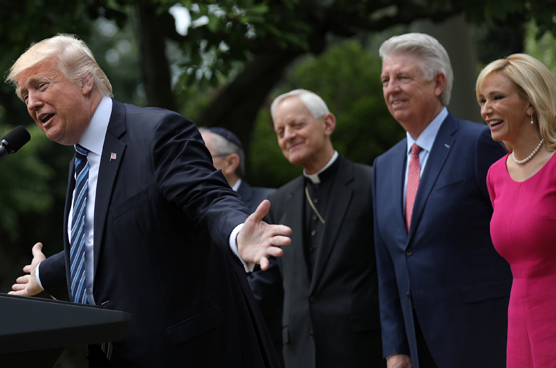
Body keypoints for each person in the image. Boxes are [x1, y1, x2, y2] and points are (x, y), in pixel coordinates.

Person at [4, 34, 291, 368]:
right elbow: (109, 242)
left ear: (85, 81)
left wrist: (239, 231)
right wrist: (43, 275)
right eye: (25, 94)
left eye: (41, 85)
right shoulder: (81, 164)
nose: (32, 102)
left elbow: (206, 196)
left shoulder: (156, 132)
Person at [373, 33, 510, 368]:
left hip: (483, 339)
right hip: (417, 350)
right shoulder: (383, 165)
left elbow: (512, 233)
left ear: (438, 83)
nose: (392, 88)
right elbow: (388, 264)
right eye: (386, 80)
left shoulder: (480, 143)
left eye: (403, 77)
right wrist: (396, 347)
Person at [252, 89, 383, 367]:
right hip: (300, 354)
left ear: (328, 124)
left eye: (297, 125)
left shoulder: (372, 183)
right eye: (280, 131)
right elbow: (268, 285)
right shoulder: (277, 202)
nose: (288, 135)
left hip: (363, 349)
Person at [477, 53, 556, 368]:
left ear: (529, 102)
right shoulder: (495, 175)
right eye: (483, 100)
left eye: (497, 98)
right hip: (520, 322)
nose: (486, 110)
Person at [198, 127, 283, 365]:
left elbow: (269, 278)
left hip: (262, 342)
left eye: (200, 156)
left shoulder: (269, 202)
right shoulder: (191, 214)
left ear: (231, 162)